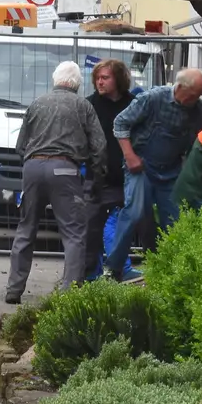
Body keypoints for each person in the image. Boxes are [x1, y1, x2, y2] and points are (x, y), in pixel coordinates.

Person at [3, 61, 108, 304]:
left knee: (26, 229)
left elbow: (21, 145)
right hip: (65, 170)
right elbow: (99, 146)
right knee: (73, 234)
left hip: (32, 168)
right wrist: (96, 176)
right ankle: (69, 294)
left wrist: (33, 162)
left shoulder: (37, 103)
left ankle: (13, 290)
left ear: (55, 80)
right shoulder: (84, 106)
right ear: (77, 84)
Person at [105, 68, 202, 282]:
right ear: (180, 87)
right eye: (193, 94)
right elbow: (120, 123)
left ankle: (170, 271)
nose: (195, 99)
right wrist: (130, 156)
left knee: (175, 221)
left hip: (171, 171)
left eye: (199, 95)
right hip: (141, 166)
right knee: (134, 212)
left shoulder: (197, 110)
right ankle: (113, 270)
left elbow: (196, 145)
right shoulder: (153, 99)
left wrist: (190, 176)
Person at [83, 59, 135, 282]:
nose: (100, 82)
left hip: (125, 176)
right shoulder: (89, 105)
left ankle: (119, 269)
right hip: (95, 177)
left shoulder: (133, 104)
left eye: (105, 78)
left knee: (119, 224)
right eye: (97, 78)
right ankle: (89, 275)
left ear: (119, 80)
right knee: (91, 228)